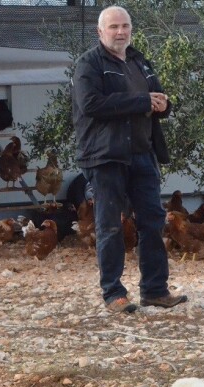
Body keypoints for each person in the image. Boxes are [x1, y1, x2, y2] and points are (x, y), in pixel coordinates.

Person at [72, 5, 187, 314]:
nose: (120, 32)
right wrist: (141, 101)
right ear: (100, 32)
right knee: (109, 225)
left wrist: (164, 104)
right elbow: (92, 104)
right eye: (114, 27)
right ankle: (113, 294)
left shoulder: (139, 61)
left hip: (142, 154)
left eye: (125, 26)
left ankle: (155, 290)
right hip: (105, 157)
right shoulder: (89, 64)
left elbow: (155, 97)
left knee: (152, 221)